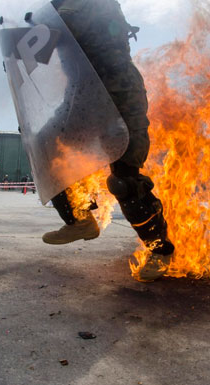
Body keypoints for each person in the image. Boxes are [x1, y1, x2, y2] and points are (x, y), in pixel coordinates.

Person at [39, 0, 175, 281]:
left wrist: (29, 35)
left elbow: (57, 29)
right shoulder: (53, 8)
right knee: (44, 145)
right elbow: (38, 45)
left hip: (120, 94)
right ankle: (80, 220)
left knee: (123, 180)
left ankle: (161, 250)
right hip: (83, 96)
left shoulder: (89, 4)